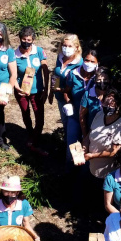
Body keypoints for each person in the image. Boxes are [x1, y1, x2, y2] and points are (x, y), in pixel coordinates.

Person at [13, 26, 49, 155]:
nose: (26, 42)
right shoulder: (14, 55)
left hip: (37, 90)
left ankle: (35, 139)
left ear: (33, 39)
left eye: (29, 39)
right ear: (20, 39)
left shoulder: (39, 51)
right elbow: (13, 74)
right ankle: (30, 133)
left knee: (39, 116)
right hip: (21, 91)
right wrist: (17, 88)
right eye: (24, 39)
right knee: (25, 113)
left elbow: (45, 70)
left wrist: (45, 88)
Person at [82, 88, 121, 180]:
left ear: (118, 106)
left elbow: (114, 152)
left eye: (111, 105)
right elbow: (89, 135)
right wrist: (84, 149)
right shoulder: (99, 114)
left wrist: (92, 155)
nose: (108, 107)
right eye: (106, 104)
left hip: (107, 173)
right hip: (92, 167)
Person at [50, 34, 83, 164]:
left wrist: (63, 91)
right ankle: (67, 149)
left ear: (76, 47)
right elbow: (56, 75)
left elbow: (78, 86)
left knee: (74, 128)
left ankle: (74, 158)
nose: (66, 48)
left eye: (70, 46)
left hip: (73, 101)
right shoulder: (60, 57)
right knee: (65, 123)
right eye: (64, 45)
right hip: (60, 98)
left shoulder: (79, 64)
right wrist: (52, 92)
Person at [79, 68, 112, 139]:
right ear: (95, 81)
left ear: (109, 80)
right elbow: (82, 116)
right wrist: (85, 136)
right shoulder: (88, 95)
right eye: (99, 80)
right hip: (93, 134)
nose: (102, 82)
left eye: (105, 80)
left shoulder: (113, 95)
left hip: (110, 133)